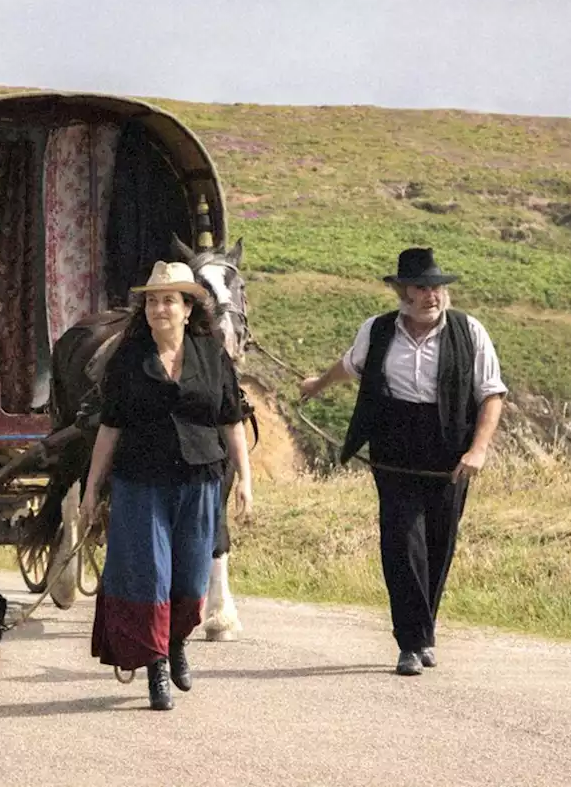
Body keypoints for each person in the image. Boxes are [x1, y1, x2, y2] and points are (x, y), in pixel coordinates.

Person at [300, 248, 506, 676]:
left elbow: (491, 393)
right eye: (422, 287)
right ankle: (410, 643)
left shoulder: (470, 332)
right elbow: (350, 365)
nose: (432, 295)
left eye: (437, 287)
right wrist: (318, 385)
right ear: (403, 292)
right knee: (401, 540)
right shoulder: (376, 331)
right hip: (394, 444)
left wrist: (479, 449)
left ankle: (424, 630)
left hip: (450, 446)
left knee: (437, 543)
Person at [79, 260, 253, 711]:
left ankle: (177, 642)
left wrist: (245, 479)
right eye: (153, 301)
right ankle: (156, 665)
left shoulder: (212, 357)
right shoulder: (128, 362)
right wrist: (92, 487)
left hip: (200, 479)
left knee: (193, 577)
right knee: (150, 576)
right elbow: (110, 428)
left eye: (169, 300)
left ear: (189, 309)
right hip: (141, 482)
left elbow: (231, 420)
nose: (160, 308)